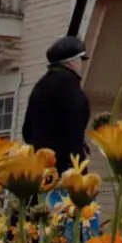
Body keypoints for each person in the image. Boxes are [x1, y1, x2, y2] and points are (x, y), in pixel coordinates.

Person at [21, 35, 90, 172]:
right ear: (70, 63)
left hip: (40, 169)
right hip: (64, 170)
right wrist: (76, 166)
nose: (81, 65)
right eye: (80, 60)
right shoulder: (69, 85)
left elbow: (27, 131)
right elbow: (74, 128)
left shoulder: (40, 86)